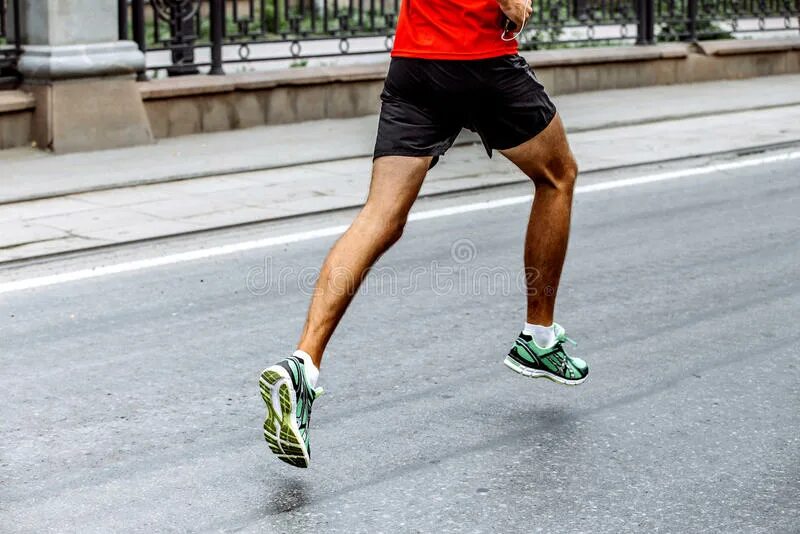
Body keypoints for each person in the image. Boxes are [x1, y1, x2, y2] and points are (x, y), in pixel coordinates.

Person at [259, 0, 589, 468]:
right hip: (480, 63)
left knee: (381, 216)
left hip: (413, 65)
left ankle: (302, 367)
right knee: (558, 176)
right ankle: (539, 337)